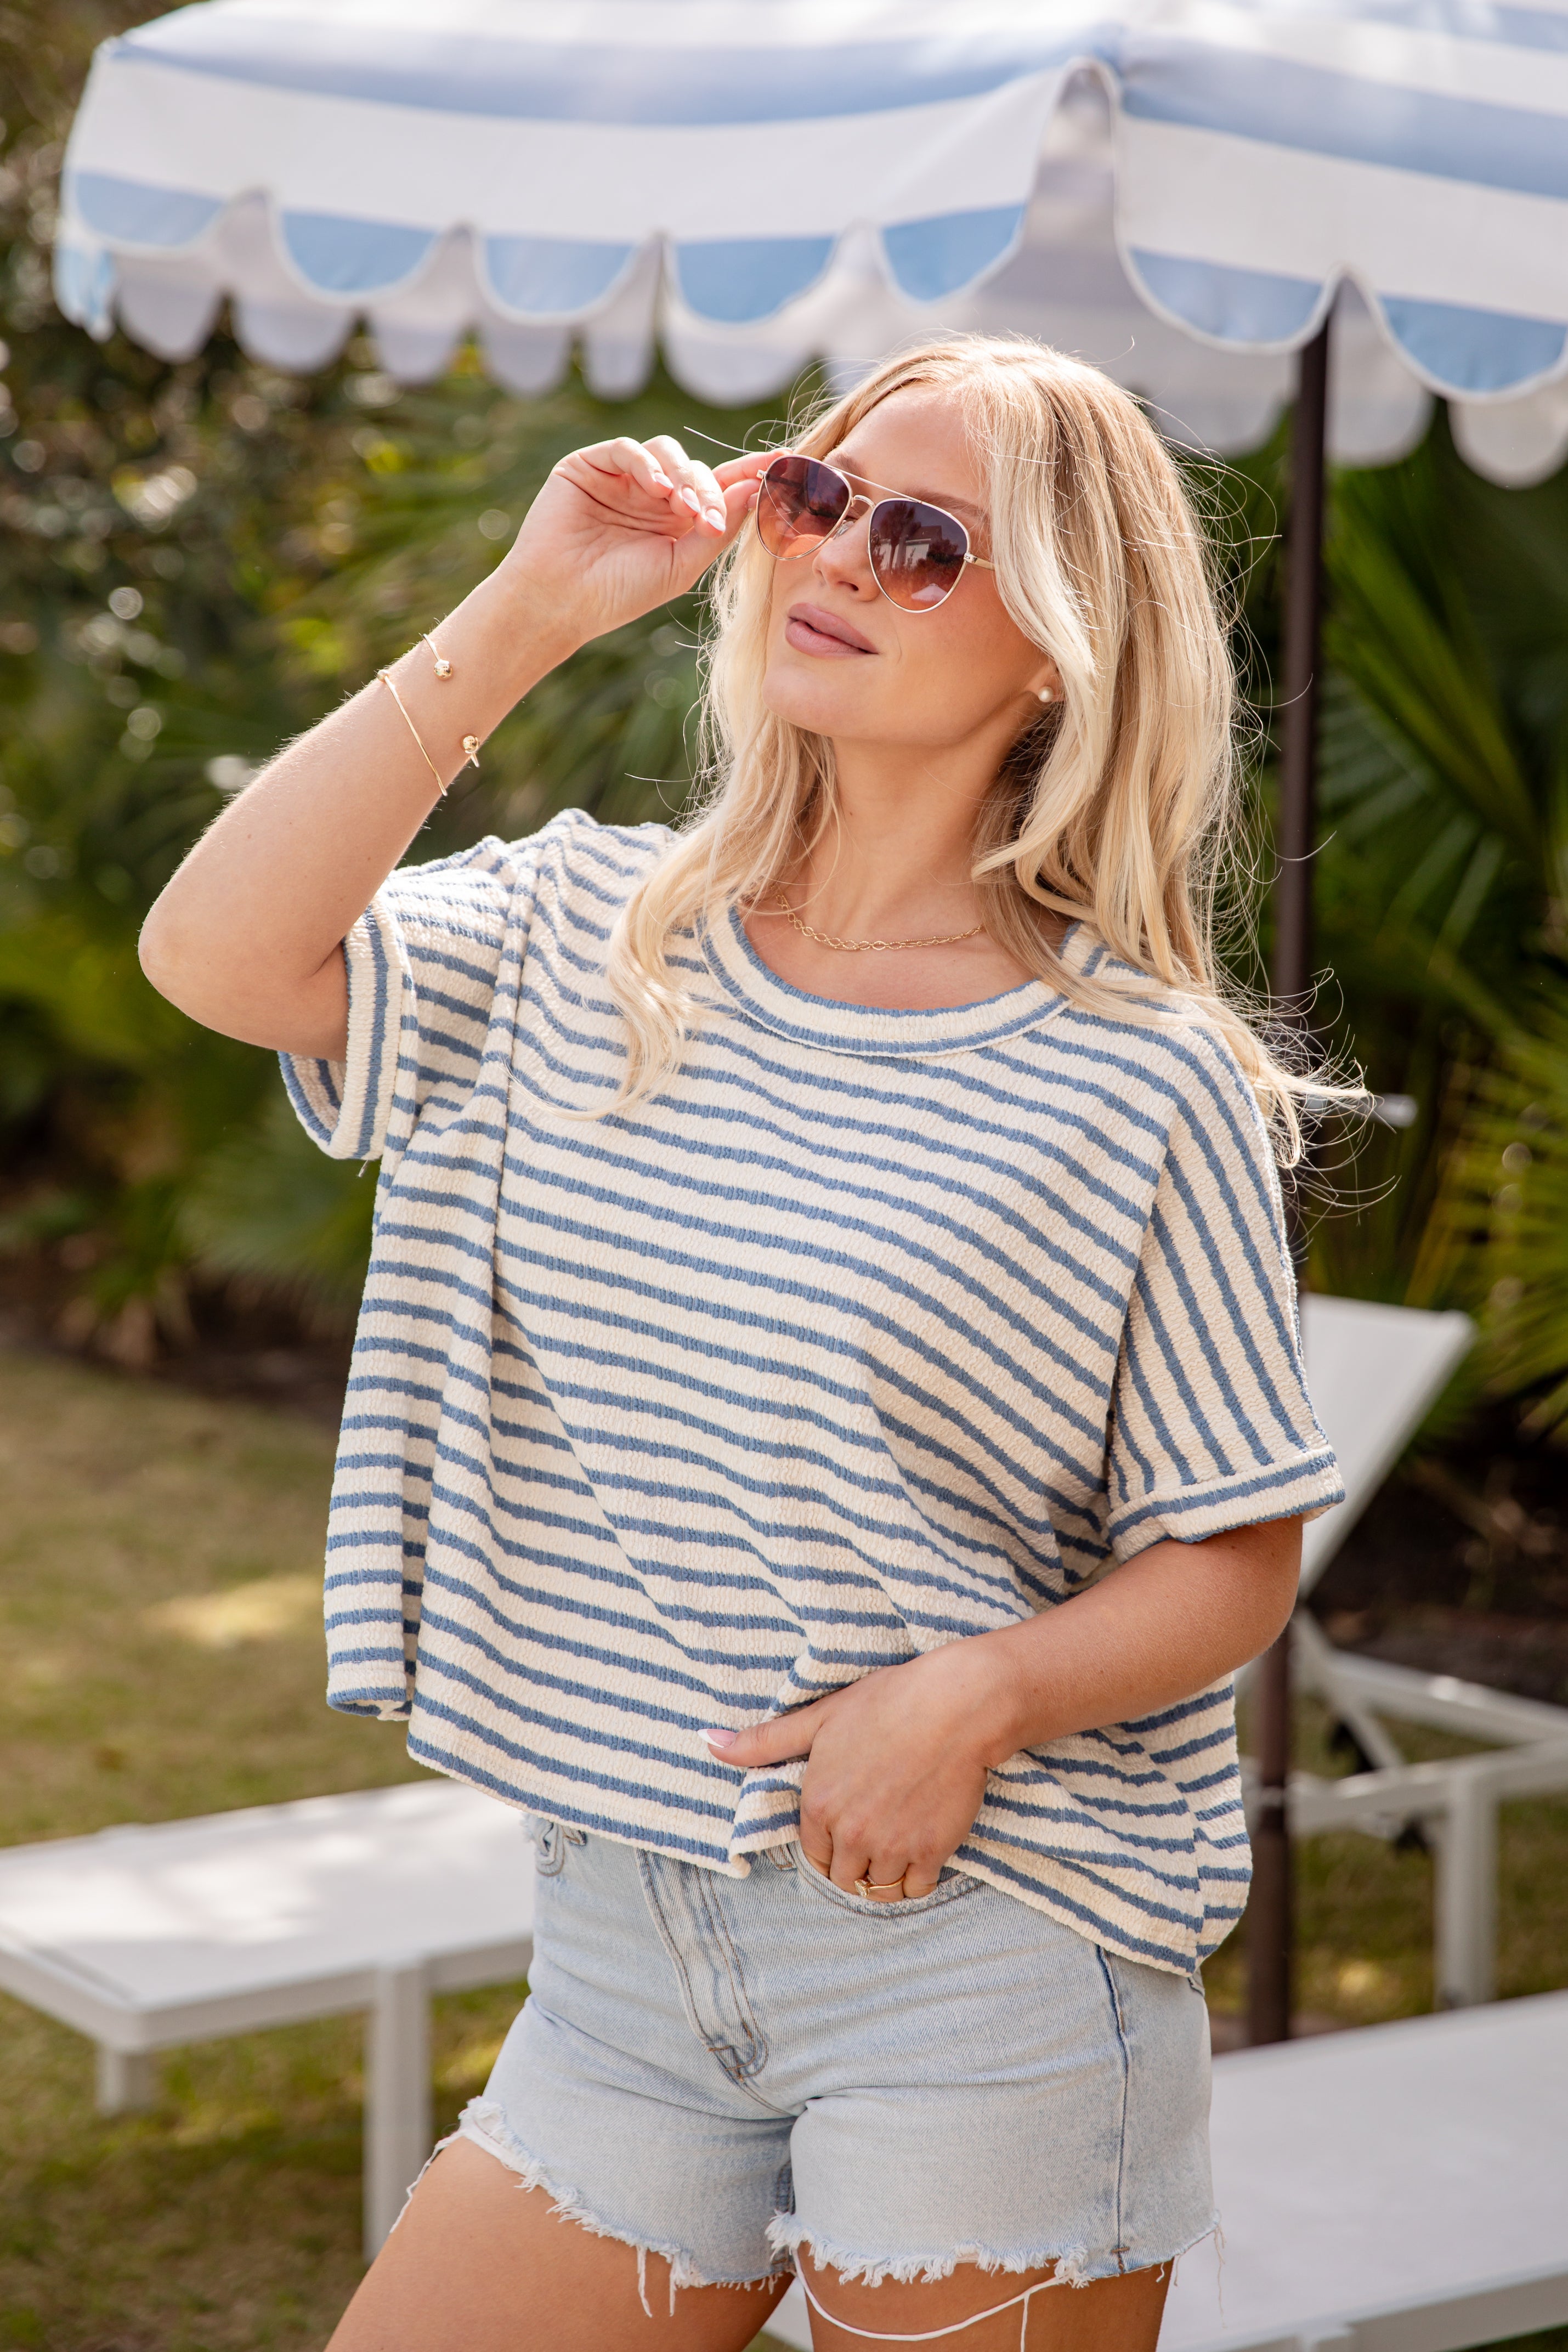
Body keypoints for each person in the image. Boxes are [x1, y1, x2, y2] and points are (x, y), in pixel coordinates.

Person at [141, 334, 1343, 2352]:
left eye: (927, 539)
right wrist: (529, 607)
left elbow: (1232, 1550)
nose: (844, 558)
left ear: (1058, 642)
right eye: (817, 496)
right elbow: (220, 956)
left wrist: (969, 1697)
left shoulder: (1140, 1083)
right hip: (621, 1952)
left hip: (992, 1957)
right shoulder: (575, 939)